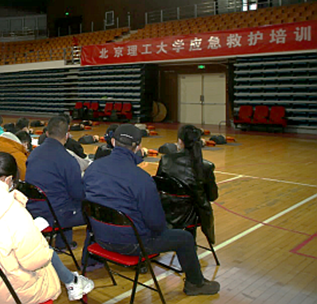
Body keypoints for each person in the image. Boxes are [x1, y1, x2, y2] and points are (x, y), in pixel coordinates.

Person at [83, 124, 220, 296]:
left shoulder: (93, 168)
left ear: (113, 142)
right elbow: (157, 224)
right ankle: (195, 284)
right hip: (131, 245)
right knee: (184, 238)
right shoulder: (141, 179)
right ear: (138, 147)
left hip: (99, 237)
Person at [0, 152, 94, 303]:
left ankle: (72, 281)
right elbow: (36, 261)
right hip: (11, 293)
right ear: (8, 180)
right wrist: (35, 236)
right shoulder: (13, 211)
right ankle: (72, 282)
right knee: (45, 254)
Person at [25, 116, 84, 249]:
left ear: (47, 133)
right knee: (89, 209)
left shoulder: (33, 154)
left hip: (32, 209)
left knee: (62, 197)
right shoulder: (68, 160)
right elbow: (77, 194)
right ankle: (65, 244)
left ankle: (63, 242)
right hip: (54, 214)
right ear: (67, 136)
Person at [156, 124, 219, 243]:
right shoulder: (206, 167)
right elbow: (212, 196)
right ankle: (188, 244)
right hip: (191, 217)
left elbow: (160, 186)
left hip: (167, 212)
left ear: (180, 141)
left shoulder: (165, 160)